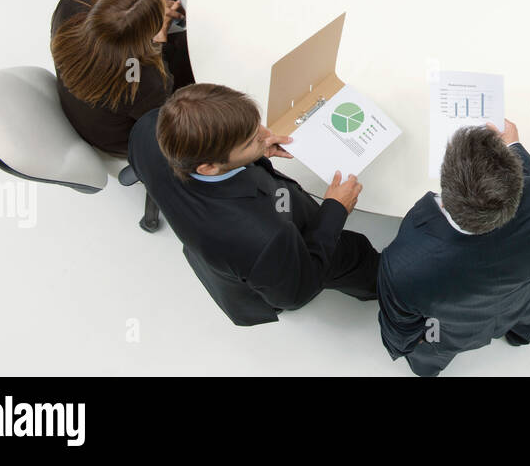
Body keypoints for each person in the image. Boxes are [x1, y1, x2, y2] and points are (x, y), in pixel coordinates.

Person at [128, 83, 378, 326]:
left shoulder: (148, 129)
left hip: (221, 255)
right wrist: (335, 209)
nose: (266, 135)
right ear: (209, 167)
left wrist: (255, 154)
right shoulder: (262, 237)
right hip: (281, 261)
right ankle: (377, 286)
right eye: (249, 141)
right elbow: (295, 292)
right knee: (354, 257)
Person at [376, 119, 530, 376]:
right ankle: (520, 336)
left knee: (426, 360)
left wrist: (409, 344)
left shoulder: (403, 265)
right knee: (524, 322)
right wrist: (513, 146)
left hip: (450, 334)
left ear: (445, 187)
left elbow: (401, 330)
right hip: (520, 302)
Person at [50, 0, 193, 155]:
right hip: (120, 138)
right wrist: (160, 38)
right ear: (144, 42)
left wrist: (141, 9)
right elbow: (164, 113)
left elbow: (116, 20)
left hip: (87, 110)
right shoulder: (139, 81)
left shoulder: (70, 4)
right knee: (193, 54)